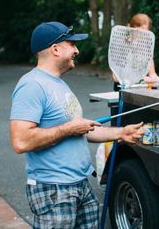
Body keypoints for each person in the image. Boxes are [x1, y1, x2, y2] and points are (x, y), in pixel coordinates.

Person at [10, 21, 144, 228]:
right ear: (55, 49)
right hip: (54, 190)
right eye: (72, 44)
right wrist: (69, 128)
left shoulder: (59, 83)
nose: (77, 50)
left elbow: (82, 131)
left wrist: (122, 132)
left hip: (79, 184)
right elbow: (21, 141)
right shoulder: (31, 85)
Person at [112, 13, 159, 90]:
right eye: (141, 32)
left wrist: (156, 79)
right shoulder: (121, 46)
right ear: (132, 28)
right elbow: (115, 77)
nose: (143, 35)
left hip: (141, 89)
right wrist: (140, 79)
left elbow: (152, 74)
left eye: (146, 32)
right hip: (123, 90)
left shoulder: (146, 48)